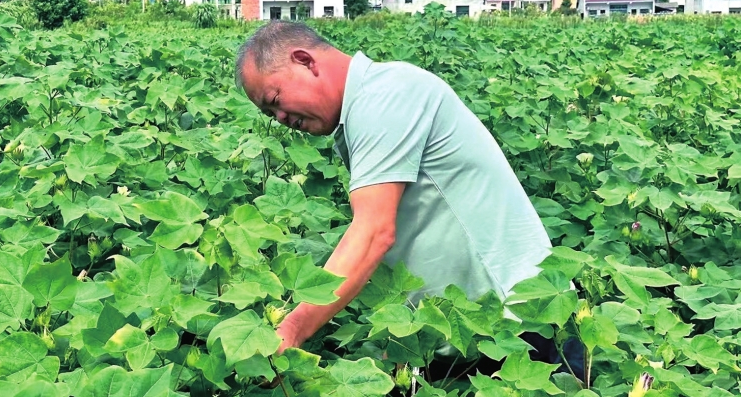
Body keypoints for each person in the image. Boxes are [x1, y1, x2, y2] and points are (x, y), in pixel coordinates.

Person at [236, 20, 562, 370]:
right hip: (464, 331)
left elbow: (374, 232)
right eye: (270, 114)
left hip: (514, 323)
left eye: (275, 100)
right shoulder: (373, 101)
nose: (281, 118)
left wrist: (292, 329)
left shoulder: (383, 98)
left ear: (305, 60)